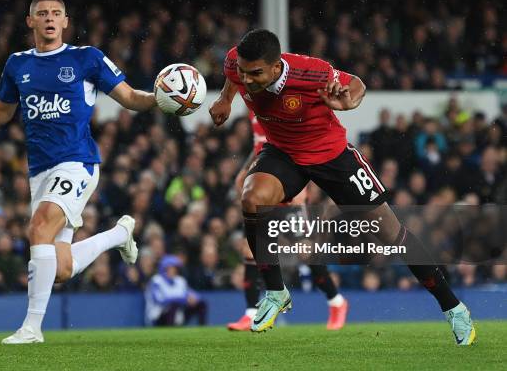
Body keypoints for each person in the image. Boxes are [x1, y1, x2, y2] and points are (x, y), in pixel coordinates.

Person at [209, 29, 476, 345]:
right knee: (252, 199)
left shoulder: (311, 72)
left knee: (391, 233)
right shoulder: (234, 64)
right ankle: (275, 291)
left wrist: (349, 101)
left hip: (330, 155)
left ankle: (454, 308)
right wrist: (224, 99)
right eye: (243, 71)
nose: (247, 79)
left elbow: (357, 84)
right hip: (283, 152)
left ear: (277, 66)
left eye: (256, 74)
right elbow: (232, 79)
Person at [0, 0, 157, 344]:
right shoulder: (17, 64)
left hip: (77, 163)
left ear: (66, 21)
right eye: (42, 14)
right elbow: (1, 112)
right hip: (39, 171)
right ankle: (119, 235)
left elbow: (129, 97)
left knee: (39, 226)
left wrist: (160, 97)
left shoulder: (86, 58)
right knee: (61, 269)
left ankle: (31, 328)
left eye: (56, 13)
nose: (50, 18)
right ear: (31, 22)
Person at [227, 111, 348, 331]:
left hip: (288, 181)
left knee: (305, 251)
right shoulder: (253, 102)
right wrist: (245, 170)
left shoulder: (281, 99)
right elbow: (261, 143)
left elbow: (305, 140)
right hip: (263, 180)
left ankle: (336, 302)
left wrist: (304, 184)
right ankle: (251, 313)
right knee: (250, 249)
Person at [145, 255, 207, 326]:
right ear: (164, 269)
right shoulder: (156, 280)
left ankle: (203, 327)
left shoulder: (179, 280)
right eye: (170, 268)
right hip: (157, 316)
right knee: (174, 305)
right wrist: (183, 300)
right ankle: (169, 330)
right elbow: (160, 300)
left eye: (174, 268)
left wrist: (195, 298)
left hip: (177, 314)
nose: (173, 270)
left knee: (201, 304)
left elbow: (191, 293)